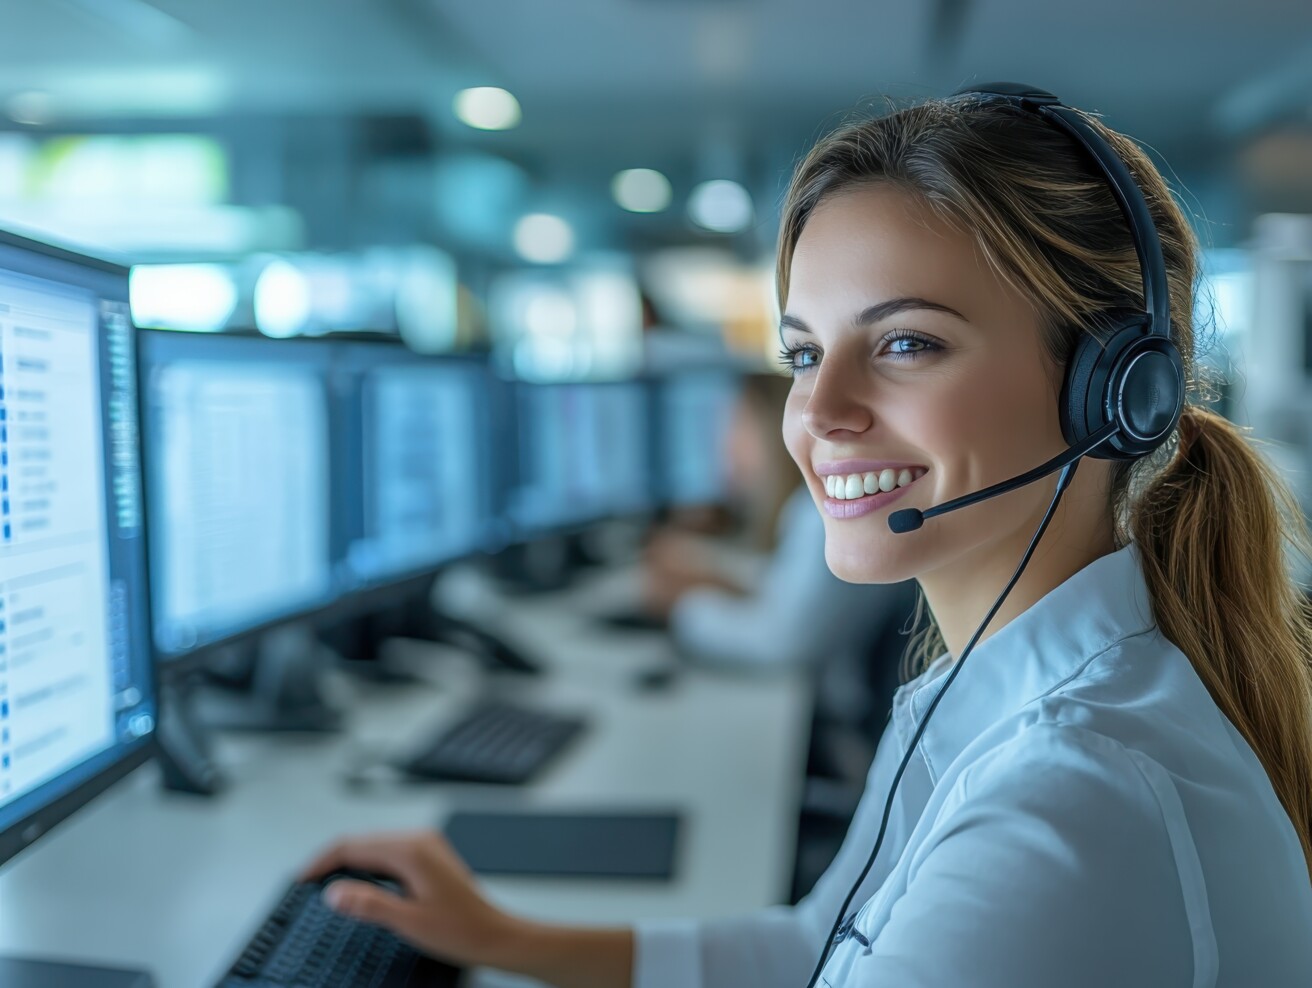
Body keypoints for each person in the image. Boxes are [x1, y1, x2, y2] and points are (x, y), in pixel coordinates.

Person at [300, 88, 1312, 986]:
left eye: (906, 343)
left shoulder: (1071, 807)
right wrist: (504, 937)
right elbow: (811, 948)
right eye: (802, 352)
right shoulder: (989, 695)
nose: (818, 412)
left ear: (1112, 390)